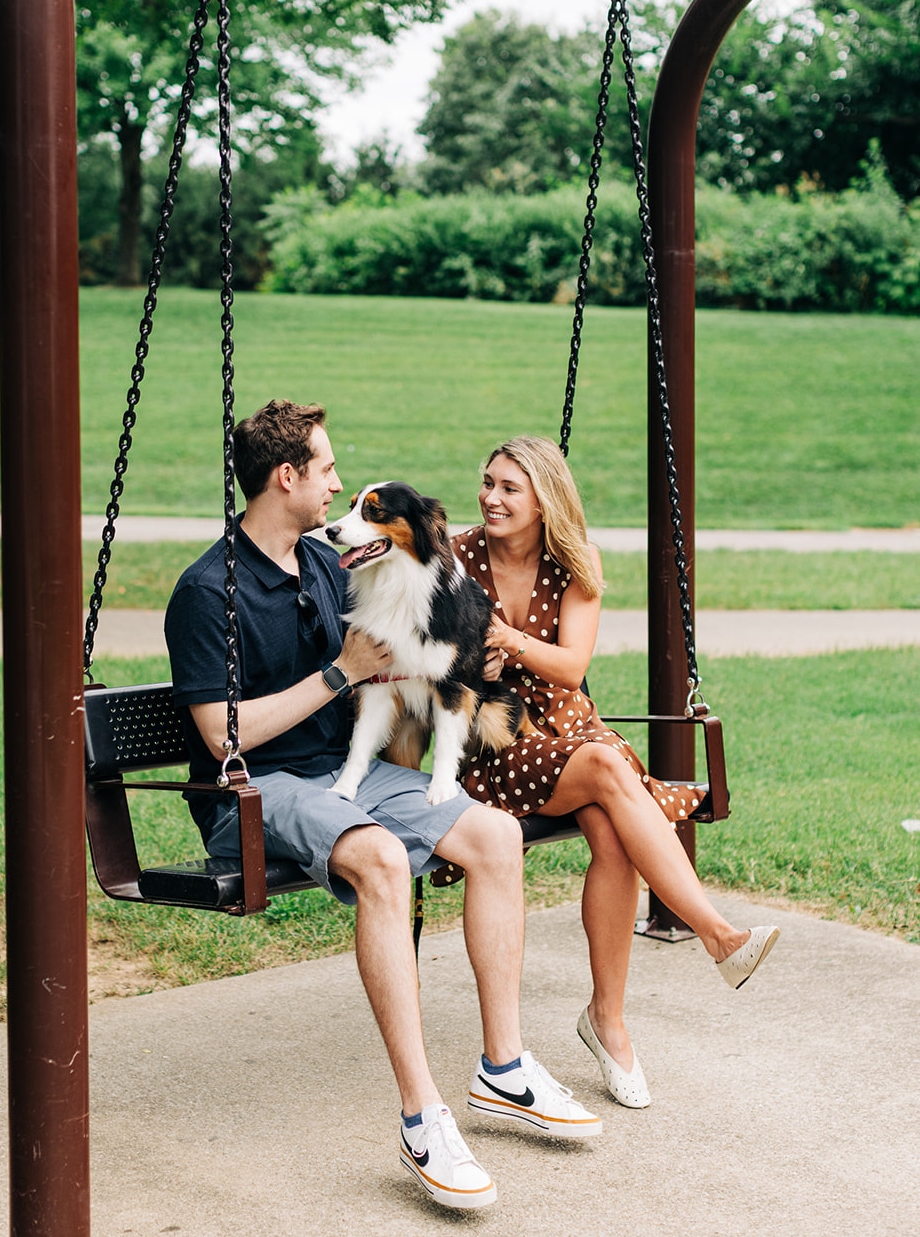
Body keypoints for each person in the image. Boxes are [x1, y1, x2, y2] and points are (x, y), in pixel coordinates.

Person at [165, 402, 602, 1212]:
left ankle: (502, 1069)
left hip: (345, 771)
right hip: (255, 790)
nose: (336, 483)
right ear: (285, 477)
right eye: (326, 469)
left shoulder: (330, 566)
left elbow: (412, 618)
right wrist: (339, 672)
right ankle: (420, 1114)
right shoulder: (207, 591)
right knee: (378, 858)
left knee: (495, 835)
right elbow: (225, 735)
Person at [451, 435, 779, 1111]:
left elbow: (571, 667)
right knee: (605, 768)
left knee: (609, 823)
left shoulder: (574, 561)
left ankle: (607, 1017)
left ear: (544, 499)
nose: (490, 496)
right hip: (495, 742)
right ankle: (716, 937)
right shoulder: (456, 559)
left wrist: (509, 641)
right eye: (487, 482)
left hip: (568, 729)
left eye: (509, 487)